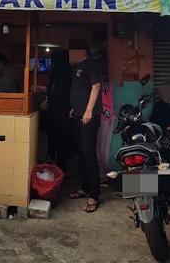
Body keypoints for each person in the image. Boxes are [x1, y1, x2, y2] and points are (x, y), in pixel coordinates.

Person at [68, 40, 102, 213]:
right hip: (79, 115)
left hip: (90, 116)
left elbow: (96, 86)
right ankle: (85, 187)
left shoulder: (92, 64)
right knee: (81, 152)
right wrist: (76, 108)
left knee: (88, 153)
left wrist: (88, 111)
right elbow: (80, 90)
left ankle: (94, 195)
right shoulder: (76, 67)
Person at [46, 50, 72, 172]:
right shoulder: (68, 71)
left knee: (57, 139)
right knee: (62, 139)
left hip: (58, 111)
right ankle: (61, 167)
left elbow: (57, 92)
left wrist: (49, 95)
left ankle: (59, 168)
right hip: (64, 110)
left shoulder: (59, 72)